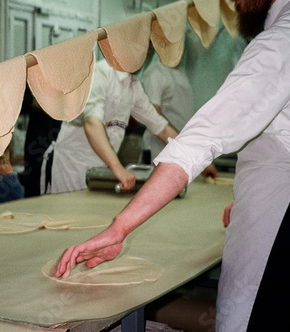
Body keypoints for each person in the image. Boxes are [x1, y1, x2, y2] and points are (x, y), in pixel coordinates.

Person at [55, 0, 290, 330]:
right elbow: (94, 124)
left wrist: (120, 226)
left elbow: (169, 128)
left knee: (245, 312)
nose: (235, 3)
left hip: (270, 219)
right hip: (75, 169)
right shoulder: (102, 76)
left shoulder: (280, 41)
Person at [42, 59, 180, 194]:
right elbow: (91, 123)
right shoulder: (101, 72)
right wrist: (117, 168)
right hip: (71, 168)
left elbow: (161, 127)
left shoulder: (133, 85)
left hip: (98, 172)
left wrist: (193, 157)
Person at [140, 56, 218, 175]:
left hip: (180, 149)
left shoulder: (181, 73)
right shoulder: (155, 73)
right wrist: (195, 159)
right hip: (160, 150)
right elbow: (155, 120)